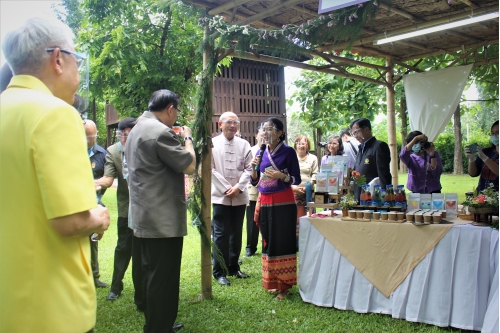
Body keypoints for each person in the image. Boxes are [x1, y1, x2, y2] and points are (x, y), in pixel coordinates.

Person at [0, 17, 110, 333]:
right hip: (51, 309)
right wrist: (100, 217)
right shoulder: (55, 113)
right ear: (58, 59)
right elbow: (70, 221)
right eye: (77, 58)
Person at [125, 89, 195, 333]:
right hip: (162, 219)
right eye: (176, 112)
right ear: (170, 109)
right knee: (163, 277)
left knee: (150, 273)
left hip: (143, 215)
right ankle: (158, 327)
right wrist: (188, 138)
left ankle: (157, 323)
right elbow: (189, 165)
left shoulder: (136, 129)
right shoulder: (159, 132)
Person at [250, 118, 301, 301]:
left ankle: (284, 286)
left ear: (280, 132)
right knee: (268, 240)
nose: (266, 132)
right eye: (264, 129)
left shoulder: (288, 152)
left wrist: (282, 176)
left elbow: (296, 179)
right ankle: (272, 281)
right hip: (265, 201)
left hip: (283, 203)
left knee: (282, 241)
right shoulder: (261, 151)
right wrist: (254, 170)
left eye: (270, 129)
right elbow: (255, 180)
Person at [95, 118, 144, 306]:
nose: (126, 137)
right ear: (120, 134)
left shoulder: (144, 148)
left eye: (130, 133)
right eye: (124, 134)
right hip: (126, 209)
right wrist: (89, 184)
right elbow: (108, 179)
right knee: (123, 248)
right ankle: (116, 287)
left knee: (143, 252)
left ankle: (142, 291)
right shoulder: (113, 152)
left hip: (145, 209)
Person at [211, 112, 253, 285]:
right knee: (221, 234)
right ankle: (219, 271)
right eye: (229, 122)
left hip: (239, 196)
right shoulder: (212, 144)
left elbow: (250, 168)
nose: (233, 125)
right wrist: (227, 188)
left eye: (236, 123)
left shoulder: (244, 144)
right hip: (220, 196)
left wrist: (238, 187)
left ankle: (234, 267)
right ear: (220, 124)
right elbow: (209, 168)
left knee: (236, 232)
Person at [85, 119, 109, 288]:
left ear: (96, 135)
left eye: (91, 136)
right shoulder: (72, 151)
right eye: (85, 135)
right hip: (77, 203)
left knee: (93, 239)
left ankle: (95, 276)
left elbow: (107, 179)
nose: (87, 139)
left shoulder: (102, 154)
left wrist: (93, 185)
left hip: (95, 203)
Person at [350, 118, 392, 201]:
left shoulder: (379, 146)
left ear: (366, 129)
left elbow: (383, 173)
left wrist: (385, 196)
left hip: (374, 197)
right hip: (360, 196)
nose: (355, 136)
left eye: (356, 132)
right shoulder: (360, 148)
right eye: (353, 133)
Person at [244, 128, 265, 257]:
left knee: (266, 219)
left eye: (266, 135)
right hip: (253, 190)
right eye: (261, 135)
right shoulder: (250, 150)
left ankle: (266, 245)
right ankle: (250, 247)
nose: (264, 138)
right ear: (256, 136)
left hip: (268, 190)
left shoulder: (271, 151)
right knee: (252, 220)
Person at [466, 120, 499, 191]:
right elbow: (473, 173)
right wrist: (471, 159)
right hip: (482, 197)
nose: (494, 136)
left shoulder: (484, 155)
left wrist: (484, 157)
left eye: (498, 133)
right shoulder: (486, 152)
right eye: (492, 133)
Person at [293, 135, 318, 224]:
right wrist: (294, 188)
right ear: (295, 145)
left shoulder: (313, 158)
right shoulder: (291, 158)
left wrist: (309, 185)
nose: (301, 146)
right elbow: (286, 174)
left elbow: (315, 173)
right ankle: (296, 237)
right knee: (295, 219)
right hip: (294, 192)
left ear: (308, 145)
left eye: (304, 143)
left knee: (309, 219)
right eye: (299, 143)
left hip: (308, 192)